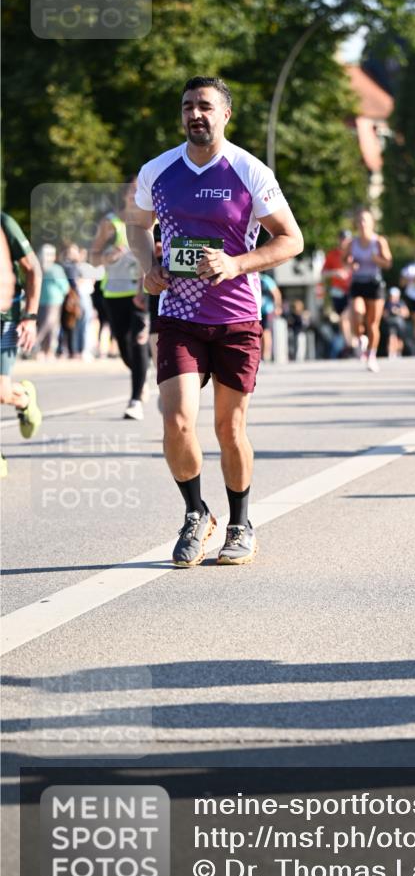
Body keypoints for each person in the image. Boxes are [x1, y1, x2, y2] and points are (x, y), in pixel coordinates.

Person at [127, 75, 303, 567]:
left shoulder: (249, 170)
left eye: (205, 106)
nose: (195, 114)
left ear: (226, 114)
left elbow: (292, 239)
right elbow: (137, 225)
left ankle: (241, 523)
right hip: (180, 314)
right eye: (187, 106)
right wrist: (148, 267)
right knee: (177, 419)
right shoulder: (158, 171)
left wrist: (236, 263)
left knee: (229, 427)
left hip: (236, 316)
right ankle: (194, 513)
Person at [90, 180, 150, 418]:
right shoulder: (111, 222)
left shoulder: (149, 221)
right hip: (113, 293)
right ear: (125, 195)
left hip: (141, 293)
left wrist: (143, 287)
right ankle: (141, 377)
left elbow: (154, 256)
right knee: (125, 349)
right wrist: (108, 256)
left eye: (140, 191)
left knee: (139, 342)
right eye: (132, 191)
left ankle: (135, 400)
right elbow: (93, 258)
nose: (135, 195)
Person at [0, 212, 43, 478]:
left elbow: (32, 269)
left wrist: (30, 316)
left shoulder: (4, 223)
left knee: (1, 392)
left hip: (6, 317)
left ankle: (23, 398)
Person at [343, 209, 392, 373]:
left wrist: (376, 259)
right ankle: (360, 337)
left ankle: (371, 356)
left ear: (372, 223)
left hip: (374, 283)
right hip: (358, 282)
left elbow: (388, 263)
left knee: (373, 324)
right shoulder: (351, 243)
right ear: (356, 224)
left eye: (366, 221)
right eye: (360, 221)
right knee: (357, 313)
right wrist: (350, 263)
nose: (362, 224)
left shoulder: (378, 241)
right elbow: (345, 261)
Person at [34, 244, 70, 360]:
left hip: (40, 300)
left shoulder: (37, 268)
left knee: (43, 324)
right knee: (51, 326)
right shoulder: (56, 269)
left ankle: (42, 351)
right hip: (54, 301)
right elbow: (65, 286)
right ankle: (42, 350)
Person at [321, 229, 353, 353]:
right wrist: (336, 273)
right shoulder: (332, 254)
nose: (345, 241)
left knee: (350, 316)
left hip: (353, 290)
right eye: (343, 239)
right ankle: (349, 345)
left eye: (347, 239)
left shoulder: (355, 253)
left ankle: (352, 344)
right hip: (338, 291)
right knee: (343, 319)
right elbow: (323, 273)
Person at [382, 286, 411, 359]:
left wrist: (398, 311)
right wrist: (389, 312)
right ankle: (391, 353)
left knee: (399, 339)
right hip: (390, 323)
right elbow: (383, 314)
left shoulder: (401, 303)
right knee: (391, 337)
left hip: (400, 323)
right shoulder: (387, 303)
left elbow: (406, 313)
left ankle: (398, 352)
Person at [259, 271, 282, 361]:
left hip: (267, 310)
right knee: (258, 333)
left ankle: (266, 354)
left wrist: (278, 307)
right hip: (256, 311)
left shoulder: (266, 279)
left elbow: (276, 294)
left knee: (266, 332)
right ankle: (260, 354)